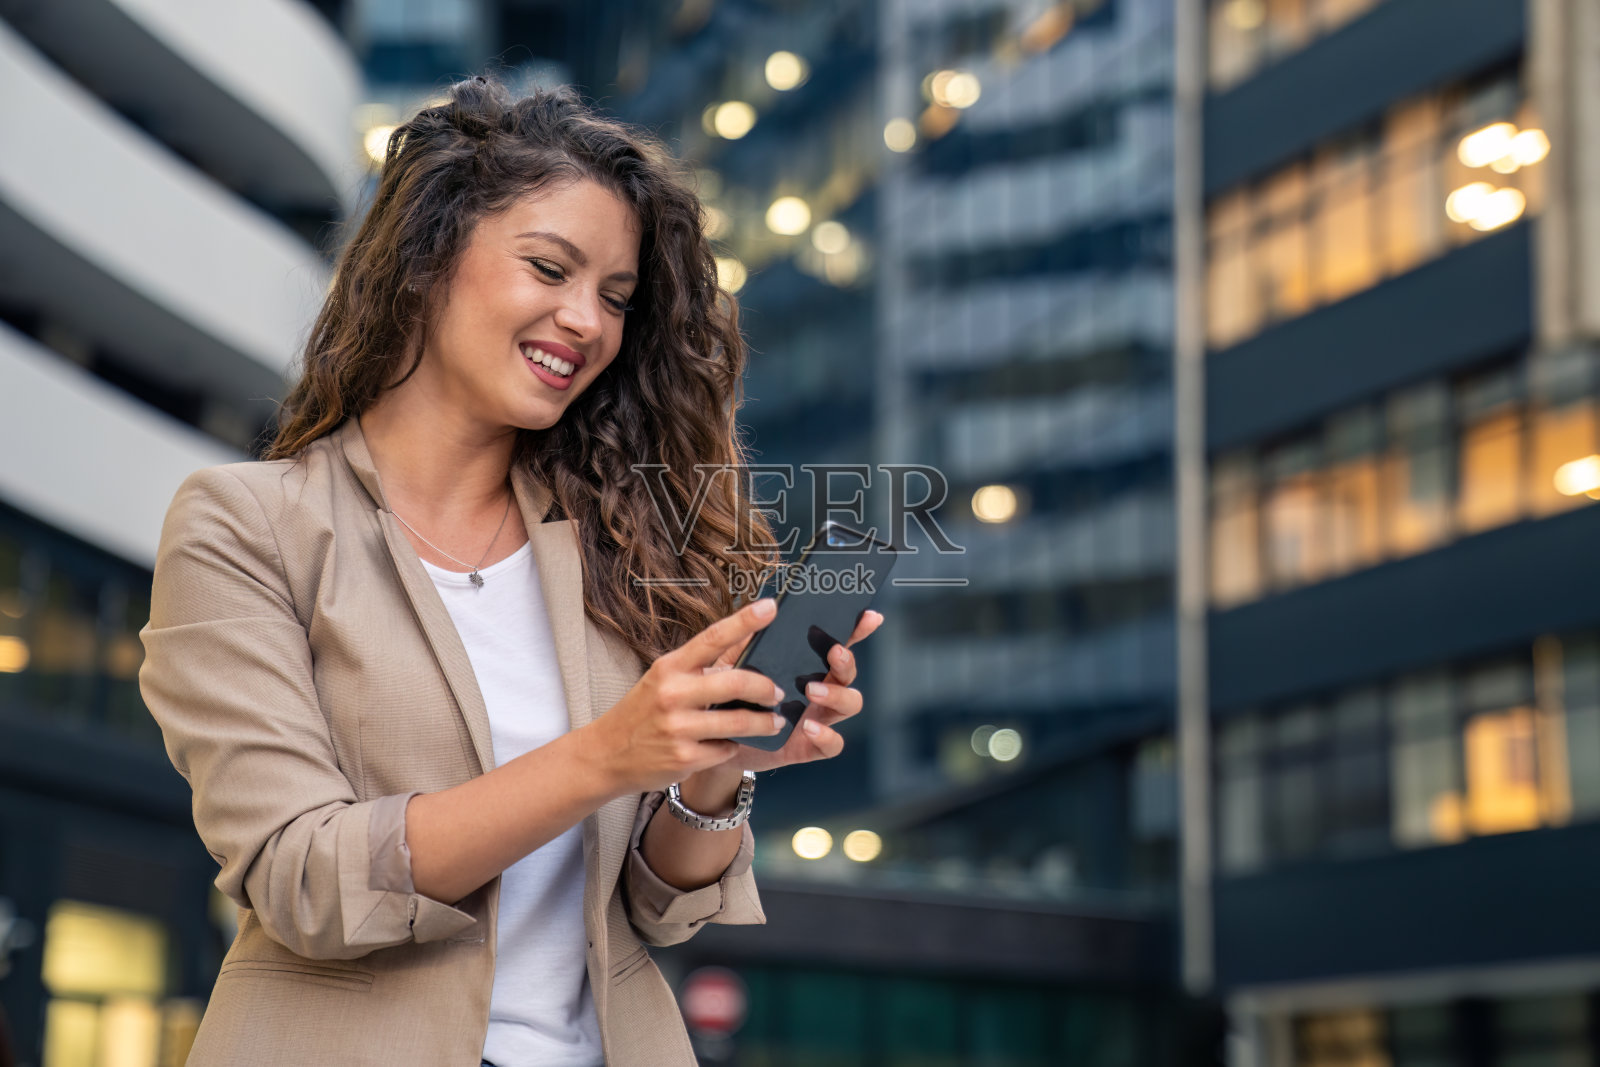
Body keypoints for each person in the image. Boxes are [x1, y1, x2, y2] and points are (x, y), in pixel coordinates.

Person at [138, 75, 881, 1067]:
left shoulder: (617, 539)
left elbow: (658, 913)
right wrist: (609, 752)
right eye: (548, 268)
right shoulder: (248, 525)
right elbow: (303, 877)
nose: (586, 321)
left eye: (615, 298)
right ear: (426, 257)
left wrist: (711, 769)